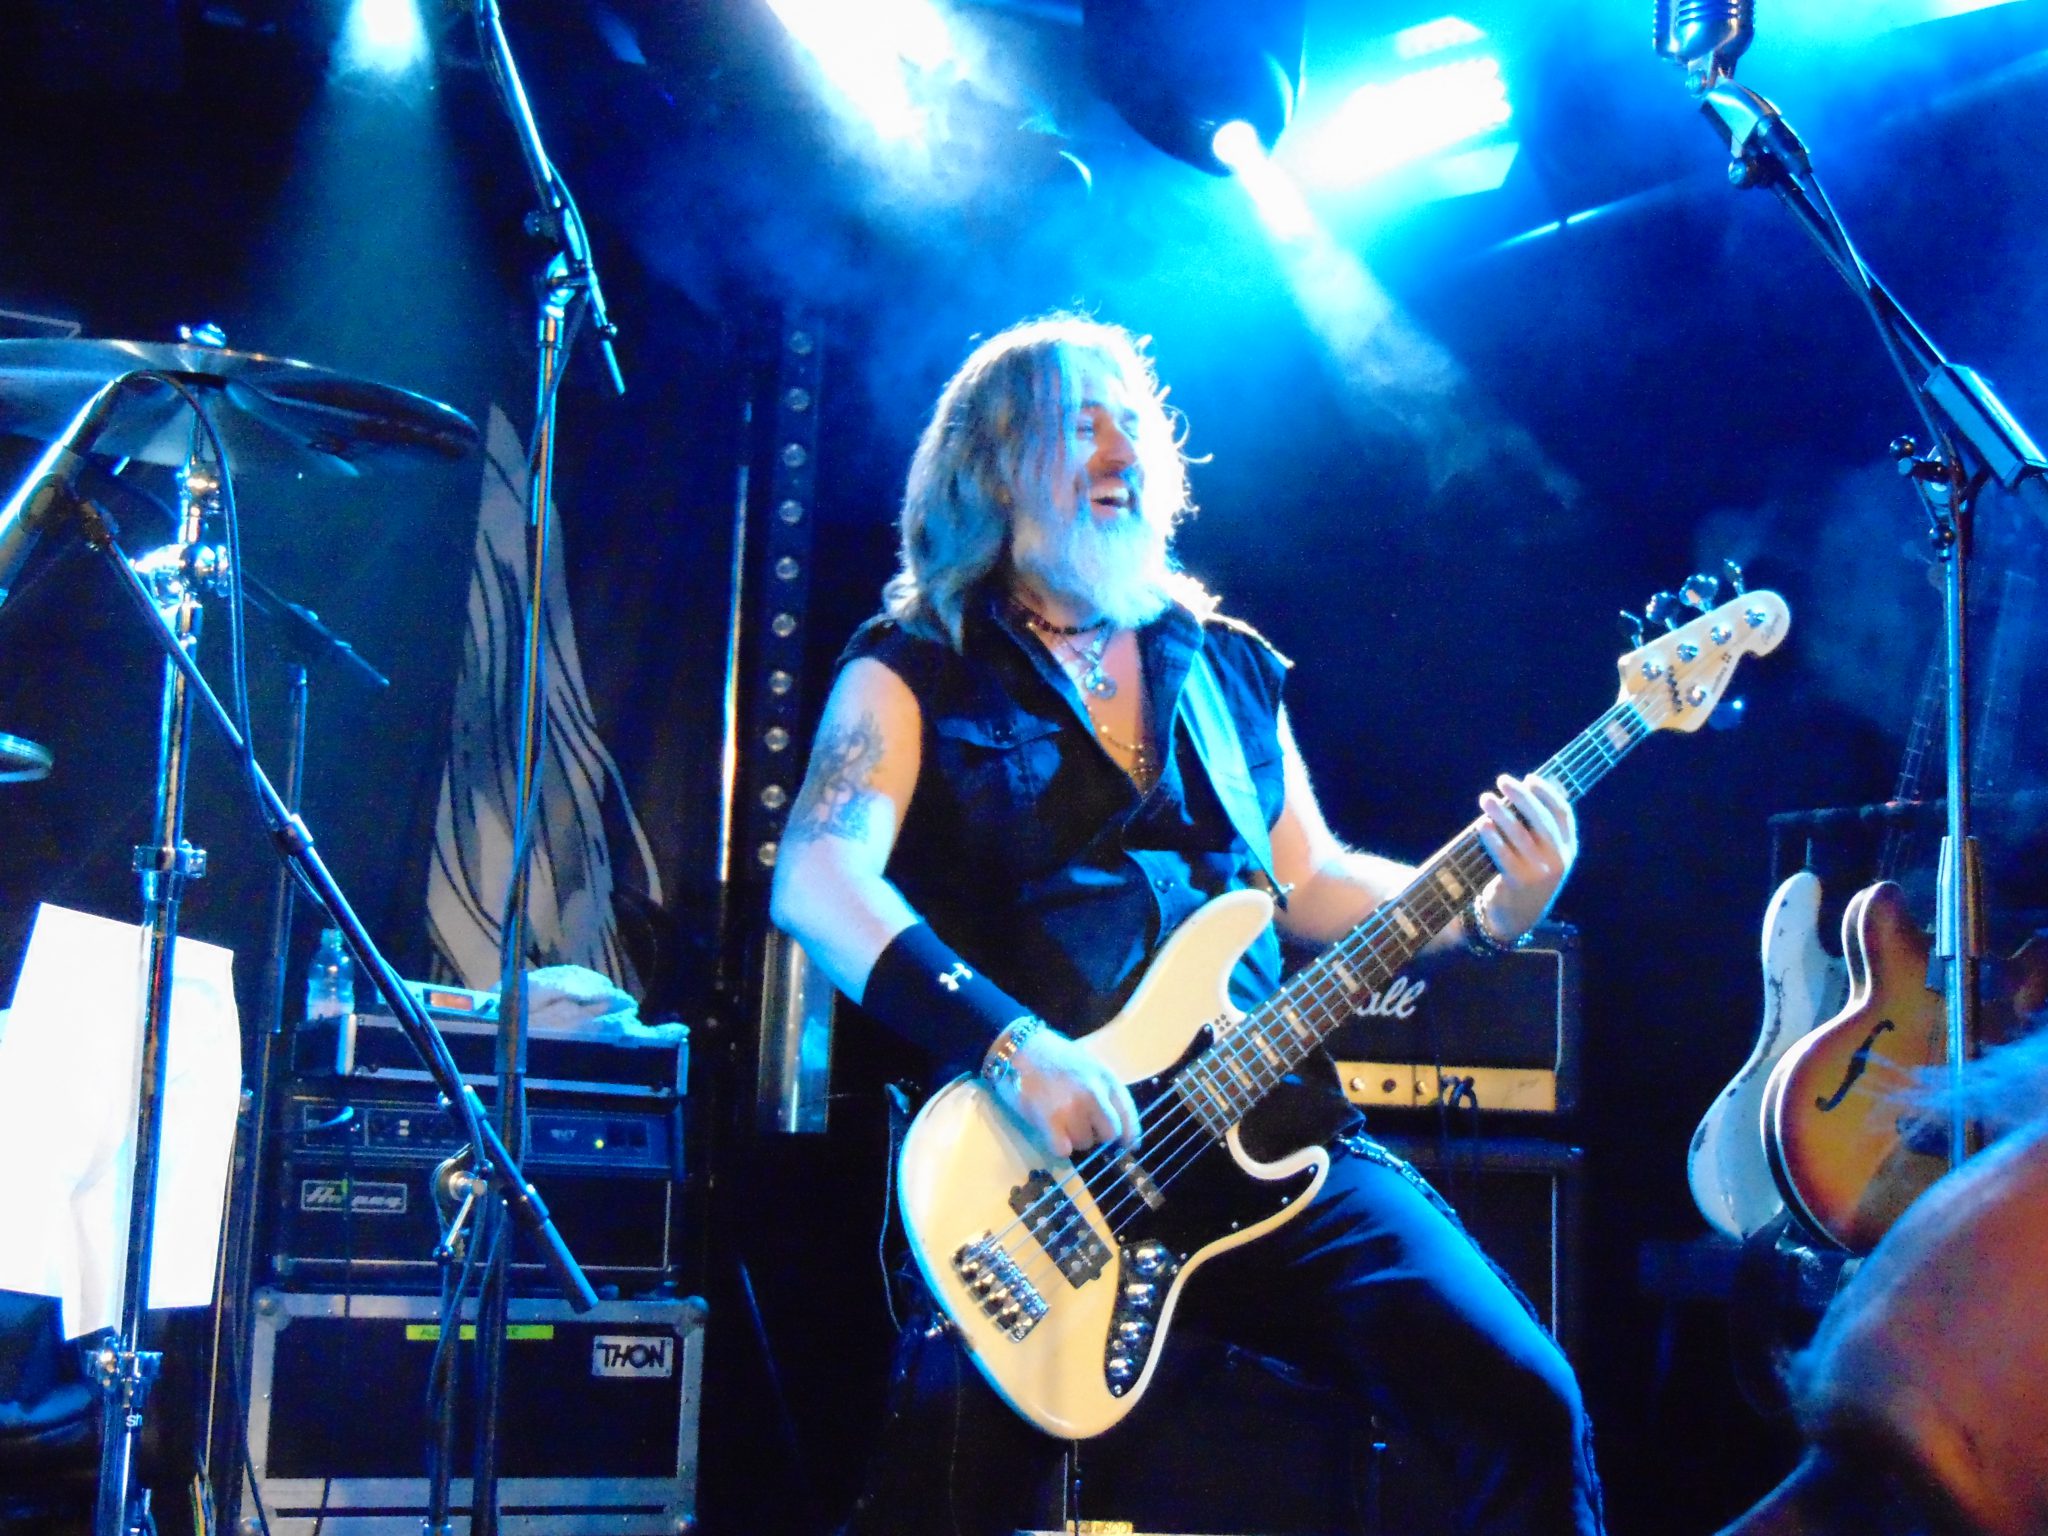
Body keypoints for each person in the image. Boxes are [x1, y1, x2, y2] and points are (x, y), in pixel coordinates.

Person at [769, 314, 1602, 1535]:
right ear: (991, 469)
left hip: (1265, 1141)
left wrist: (1488, 904)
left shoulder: (1221, 667)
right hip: (1038, 1174)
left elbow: (1310, 880)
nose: (1122, 452)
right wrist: (1012, 1046)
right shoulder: (915, 663)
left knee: (1522, 1401)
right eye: (1080, 426)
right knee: (940, 1504)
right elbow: (816, 879)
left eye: (1133, 427)